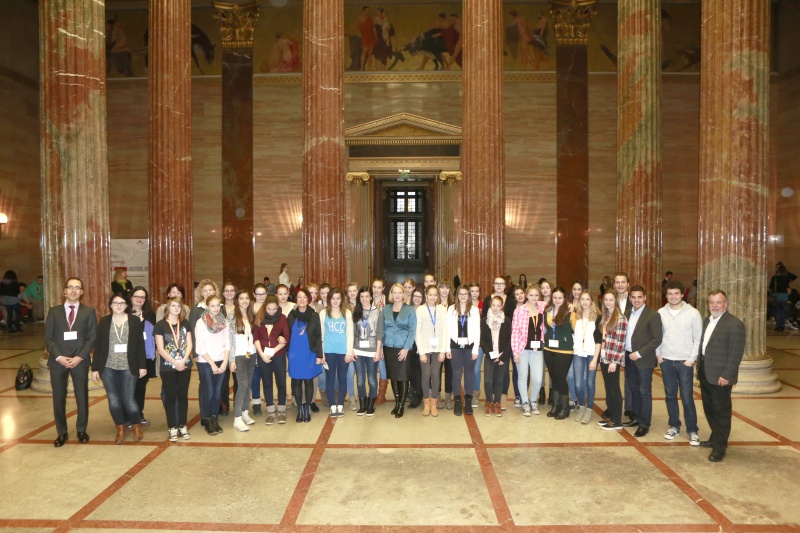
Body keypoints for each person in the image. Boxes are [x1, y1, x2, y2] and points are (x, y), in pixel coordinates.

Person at [46, 277, 96, 447]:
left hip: (79, 361)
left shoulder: (89, 312)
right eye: (70, 287)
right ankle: (62, 432)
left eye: (77, 288)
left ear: (82, 292)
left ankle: (81, 429)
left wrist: (79, 357)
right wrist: (59, 357)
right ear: (64, 291)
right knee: (58, 398)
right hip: (58, 361)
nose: (73, 290)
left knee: (82, 396)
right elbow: (49, 338)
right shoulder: (54, 312)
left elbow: (91, 338)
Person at [92, 293, 146, 444]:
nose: (119, 305)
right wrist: (95, 368)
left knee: (129, 400)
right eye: (115, 303)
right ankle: (120, 428)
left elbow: (140, 345)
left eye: (122, 303)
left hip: (129, 366)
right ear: (110, 305)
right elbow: (99, 346)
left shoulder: (134, 321)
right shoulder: (104, 321)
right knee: (114, 400)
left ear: (127, 305)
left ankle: (136, 426)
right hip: (108, 366)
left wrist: (142, 365)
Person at [698, 290, 745, 462]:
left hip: (721, 376)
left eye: (718, 302)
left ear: (726, 304)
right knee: (709, 408)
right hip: (705, 372)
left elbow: (735, 354)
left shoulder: (735, 324)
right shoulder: (707, 320)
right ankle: (715, 437)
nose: (714, 306)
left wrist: (726, 375)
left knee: (721, 411)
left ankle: (720, 447)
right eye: (711, 302)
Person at [657, 280, 703, 445]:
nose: (673, 297)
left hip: (685, 362)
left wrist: (692, 359)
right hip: (666, 360)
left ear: (682, 294)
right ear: (666, 295)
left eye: (676, 293)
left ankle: (692, 430)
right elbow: (657, 336)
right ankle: (674, 426)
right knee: (670, 395)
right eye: (670, 294)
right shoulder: (661, 312)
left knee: (687, 397)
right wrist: (658, 354)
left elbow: (698, 338)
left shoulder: (693, 313)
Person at [622, 285, 663, 437]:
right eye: (633, 297)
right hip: (628, 357)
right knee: (633, 389)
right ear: (630, 298)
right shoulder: (626, 313)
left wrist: (639, 353)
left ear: (645, 297)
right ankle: (637, 418)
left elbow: (657, 339)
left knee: (644, 391)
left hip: (643, 359)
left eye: (640, 297)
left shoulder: (653, 315)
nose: (637, 300)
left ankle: (645, 423)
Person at [154, 297, 193, 442]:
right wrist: (174, 362)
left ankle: (183, 425)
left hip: (185, 365)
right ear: (168, 308)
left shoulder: (185, 323)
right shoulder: (160, 325)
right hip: (168, 368)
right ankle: (172, 427)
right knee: (170, 397)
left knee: (182, 396)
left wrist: (182, 361)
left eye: (178, 306)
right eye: (173, 306)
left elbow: (189, 344)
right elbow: (160, 349)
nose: (176, 308)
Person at [194, 295, 230, 435]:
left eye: (218, 305)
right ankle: (208, 419)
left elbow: (227, 343)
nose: (215, 308)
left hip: (221, 360)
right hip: (206, 362)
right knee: (208, 392)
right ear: (207, 306)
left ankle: (215, 418)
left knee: (217, 392)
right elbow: (200, 347)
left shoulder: (224, 321)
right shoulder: (201, 323)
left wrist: (225, 362)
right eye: (212, 306)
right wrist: (213, 365)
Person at [287, 288, 324, 422]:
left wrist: (319, 355)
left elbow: (318, 336)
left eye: (304, 297)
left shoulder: (314, 316)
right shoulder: (291, 315)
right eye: (299, 297)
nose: (302, 300)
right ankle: (300, 408)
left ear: (308, 299)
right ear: (296, 299)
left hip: (309, 353)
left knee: (309, 381)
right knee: (296, 380)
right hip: (294, 353)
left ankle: (307, 407)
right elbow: (285, 334)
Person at [253, 295, 290, 425]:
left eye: (274, 309)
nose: (272, 311)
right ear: (265, 307)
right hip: (263, 355)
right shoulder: (259, 318)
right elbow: (256, 338)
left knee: (281, 383)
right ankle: (270, 411)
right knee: (267, 383)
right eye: (269, 309)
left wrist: (274, 350)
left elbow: (286, 338)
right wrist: (262, 354)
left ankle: (281, 411)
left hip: (278, 355)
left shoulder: (282, 318)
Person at [383, 283, 417, 418]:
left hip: (403, 348)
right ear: (391, 294)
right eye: (394, 292)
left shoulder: (409, 309)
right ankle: (397, 402)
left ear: (403, 294)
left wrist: (406, 348)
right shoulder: (385, 308)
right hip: (389, 347)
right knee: (393, 377)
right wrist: (380, 348)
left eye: (399, 292)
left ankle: (401, 405)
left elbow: (412, 330)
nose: (397, 295)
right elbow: (382, 329)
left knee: (402, 377)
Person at [595, 292, 628, 430]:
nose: (608, 302)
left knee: (614, 389)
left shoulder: (620, 319)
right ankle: (611, 416)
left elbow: (620, 343)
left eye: (611, 300)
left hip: (612, 359)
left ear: (616, 301)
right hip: (604, 357)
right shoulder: (605, 316)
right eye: (606, 300)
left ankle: (617, 421)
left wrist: (614, 361)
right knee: (608, 388)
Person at [319, 288, 354, 417]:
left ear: (341, 299)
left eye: (338, 298)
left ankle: (340, 404)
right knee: (330, 378)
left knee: (342, 378)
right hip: (329, 351)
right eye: (333, 298)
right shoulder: (323, 314)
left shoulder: (347, 313)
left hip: (343, 351)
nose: (335, 301)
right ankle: (332, 405)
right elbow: (321, 335)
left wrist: (349, 352)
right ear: (329, 299)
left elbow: (350, 334)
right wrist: (321, 353)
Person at [511, 284, 544, 416]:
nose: (534, 297)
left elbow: (557, 302)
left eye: (536, 295)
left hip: (537, 349)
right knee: (523, 377)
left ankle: (533, 400)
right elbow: (515, 332)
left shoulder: (542, 307)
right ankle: (525, 402)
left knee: (537, 379)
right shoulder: (519, 311)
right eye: (531, 295)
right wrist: (515, 352)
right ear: (526, 295)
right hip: (522, 348)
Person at [543, 287, 576, 420]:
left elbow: (576, 330)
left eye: (560, 298)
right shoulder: (548, 310)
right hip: (549, 349)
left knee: (561, 378)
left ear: (564, 299)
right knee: (554, 377)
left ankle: (565, 407)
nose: (557, 300)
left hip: (564, 350)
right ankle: (556, 405)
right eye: (555, 297)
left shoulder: (570, 312)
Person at [446, 285, 480, 415]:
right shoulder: (451, 309)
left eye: (465, 293)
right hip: (455, 346)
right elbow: (447, 330)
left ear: (469, 295)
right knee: (456, 374)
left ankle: (468, 402)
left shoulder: (474, 310)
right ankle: (458, 402)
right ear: (457, 295)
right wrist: (447, 348)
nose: (463, 296)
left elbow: (477, 331)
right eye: (460, 293)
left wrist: (475, 349)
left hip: (470, 346)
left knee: (469, 373)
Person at [416, 285, 448, 417]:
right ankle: (426, 403)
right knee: (426, 374)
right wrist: (421, 351)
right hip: (424, 348)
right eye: (430, 294)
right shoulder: (421, 310)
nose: (433, 297)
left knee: (435, 374)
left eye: (435, 295)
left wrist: (443, 350)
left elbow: (445, 331)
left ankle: (434, 403)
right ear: (426, 294)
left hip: (438, 348)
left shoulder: (442, 309)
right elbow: (417, 332)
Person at [352, 286, 382, 416]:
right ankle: (362, 404)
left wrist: (378, 351)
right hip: (357, 350)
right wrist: (351, 349)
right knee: (359, 379)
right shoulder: (355, 311)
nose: (364, 299)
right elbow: (352, 332)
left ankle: (371, 404)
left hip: (371, 350)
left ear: (371, 297)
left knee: (372, 379)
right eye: (362, 296)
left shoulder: (377, 311)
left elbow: (380, 333)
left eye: (367, 296)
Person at [229, 290, 257, 432]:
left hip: (251, 354)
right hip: (239, 356)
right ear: (237, 300)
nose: (245, 301)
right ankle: (237, 418)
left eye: (247, 298)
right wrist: (231, 359)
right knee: (242, 385)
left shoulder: (251, 315)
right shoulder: (233, 316)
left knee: (248, 384)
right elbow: (229, 339)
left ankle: (245, 412)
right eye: (241, 298)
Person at [129, 286, 156, 427]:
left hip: (145, 357)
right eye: (136, 296)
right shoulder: (125, 314)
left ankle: (139, 414)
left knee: (140, 388)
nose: (139, 299)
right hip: (127, 358)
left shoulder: (150, 316)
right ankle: (128, 417)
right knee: (128, 389)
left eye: (142, 297)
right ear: (131, 298)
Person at [571, 290, 599, 424]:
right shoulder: (576, 315)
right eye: (582, 299)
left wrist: (595, 359)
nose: (584, 302)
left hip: (592, 353)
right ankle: (581, 406)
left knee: (589, 382)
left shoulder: (598, 317)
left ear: (591, 301)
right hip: (578, 352)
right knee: (578, 384)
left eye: (587, 299)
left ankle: (589, 409)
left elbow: (600, 339)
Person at [481, 296, 511, 417]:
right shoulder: (484, 321)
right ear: (490, 305)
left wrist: (503, 357)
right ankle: (489, 402)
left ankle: (497, 403)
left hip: (502, 355)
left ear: (502, 306)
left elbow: (509, 340)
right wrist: (491, 355)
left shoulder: (507, 320)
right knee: (488, 380)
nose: (495, 308)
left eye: (498, 305)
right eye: (493, 305)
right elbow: (482, 340)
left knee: (499, 380)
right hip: (489, 355)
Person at [250, 283, 269, 416]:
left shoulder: (271, 307)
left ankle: (269, 402)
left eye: (263, 294)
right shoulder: (249, 308)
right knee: (254, 377)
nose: (261, 296)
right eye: (258, 294)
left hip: (267, 347)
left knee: (267, 377)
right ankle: (256, 403)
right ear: (254, 295)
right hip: (251, 346)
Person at [438, 280, 455, 410]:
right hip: (437, 344)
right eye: (442, 288)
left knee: (450, 371)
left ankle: (448, 397)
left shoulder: (454, 306)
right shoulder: (434, 304)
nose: (444, 290)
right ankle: (437, 397)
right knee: (436, 371)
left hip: (450, 344)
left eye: (447, 288)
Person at [468, 282, 484, 408]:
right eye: (472, 291)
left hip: (479, 343)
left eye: (476, 291)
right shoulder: (464, 305)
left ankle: (475, 393)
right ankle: (467, 393)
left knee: (476, 369)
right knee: (468, 369)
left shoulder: (484, 305)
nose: (474, 293)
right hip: (466, 343)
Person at [769, 262, 797, 331]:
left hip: (776, 296)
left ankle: (779, 326)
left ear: (778, 270)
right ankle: (782, 326)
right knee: (782, 311)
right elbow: (794, 276)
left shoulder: (774, 278)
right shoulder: (787, 278)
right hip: (785, 296)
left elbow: (771, 287)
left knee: (777, 311)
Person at [345, 281, 360, 411]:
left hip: (361, 346)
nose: (352, 293)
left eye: (354, 290)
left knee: (361, 374)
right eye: (350, 291)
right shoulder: (344, 307)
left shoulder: (363, 305)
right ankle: (351, 397)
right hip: (349, 346)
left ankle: (361, 397)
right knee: (350, 373)